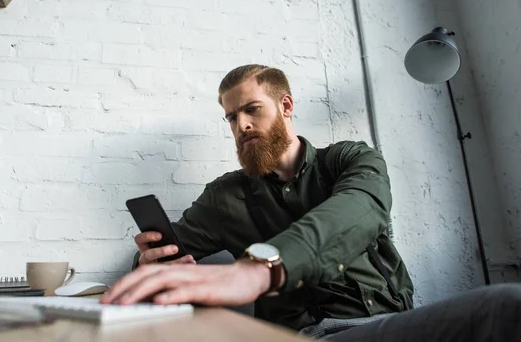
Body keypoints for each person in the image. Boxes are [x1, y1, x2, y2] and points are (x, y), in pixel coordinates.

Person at [101, 64, 521, 341]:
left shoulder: (351, 159)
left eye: (251, 110)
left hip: (388, 324)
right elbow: (168, 253)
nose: (241, 124)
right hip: (306, 335)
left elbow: (361, 208)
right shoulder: (224, 196)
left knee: (503, 308)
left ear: (285, 106)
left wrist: (260, 269)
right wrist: (150, 263)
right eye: (231, 117)